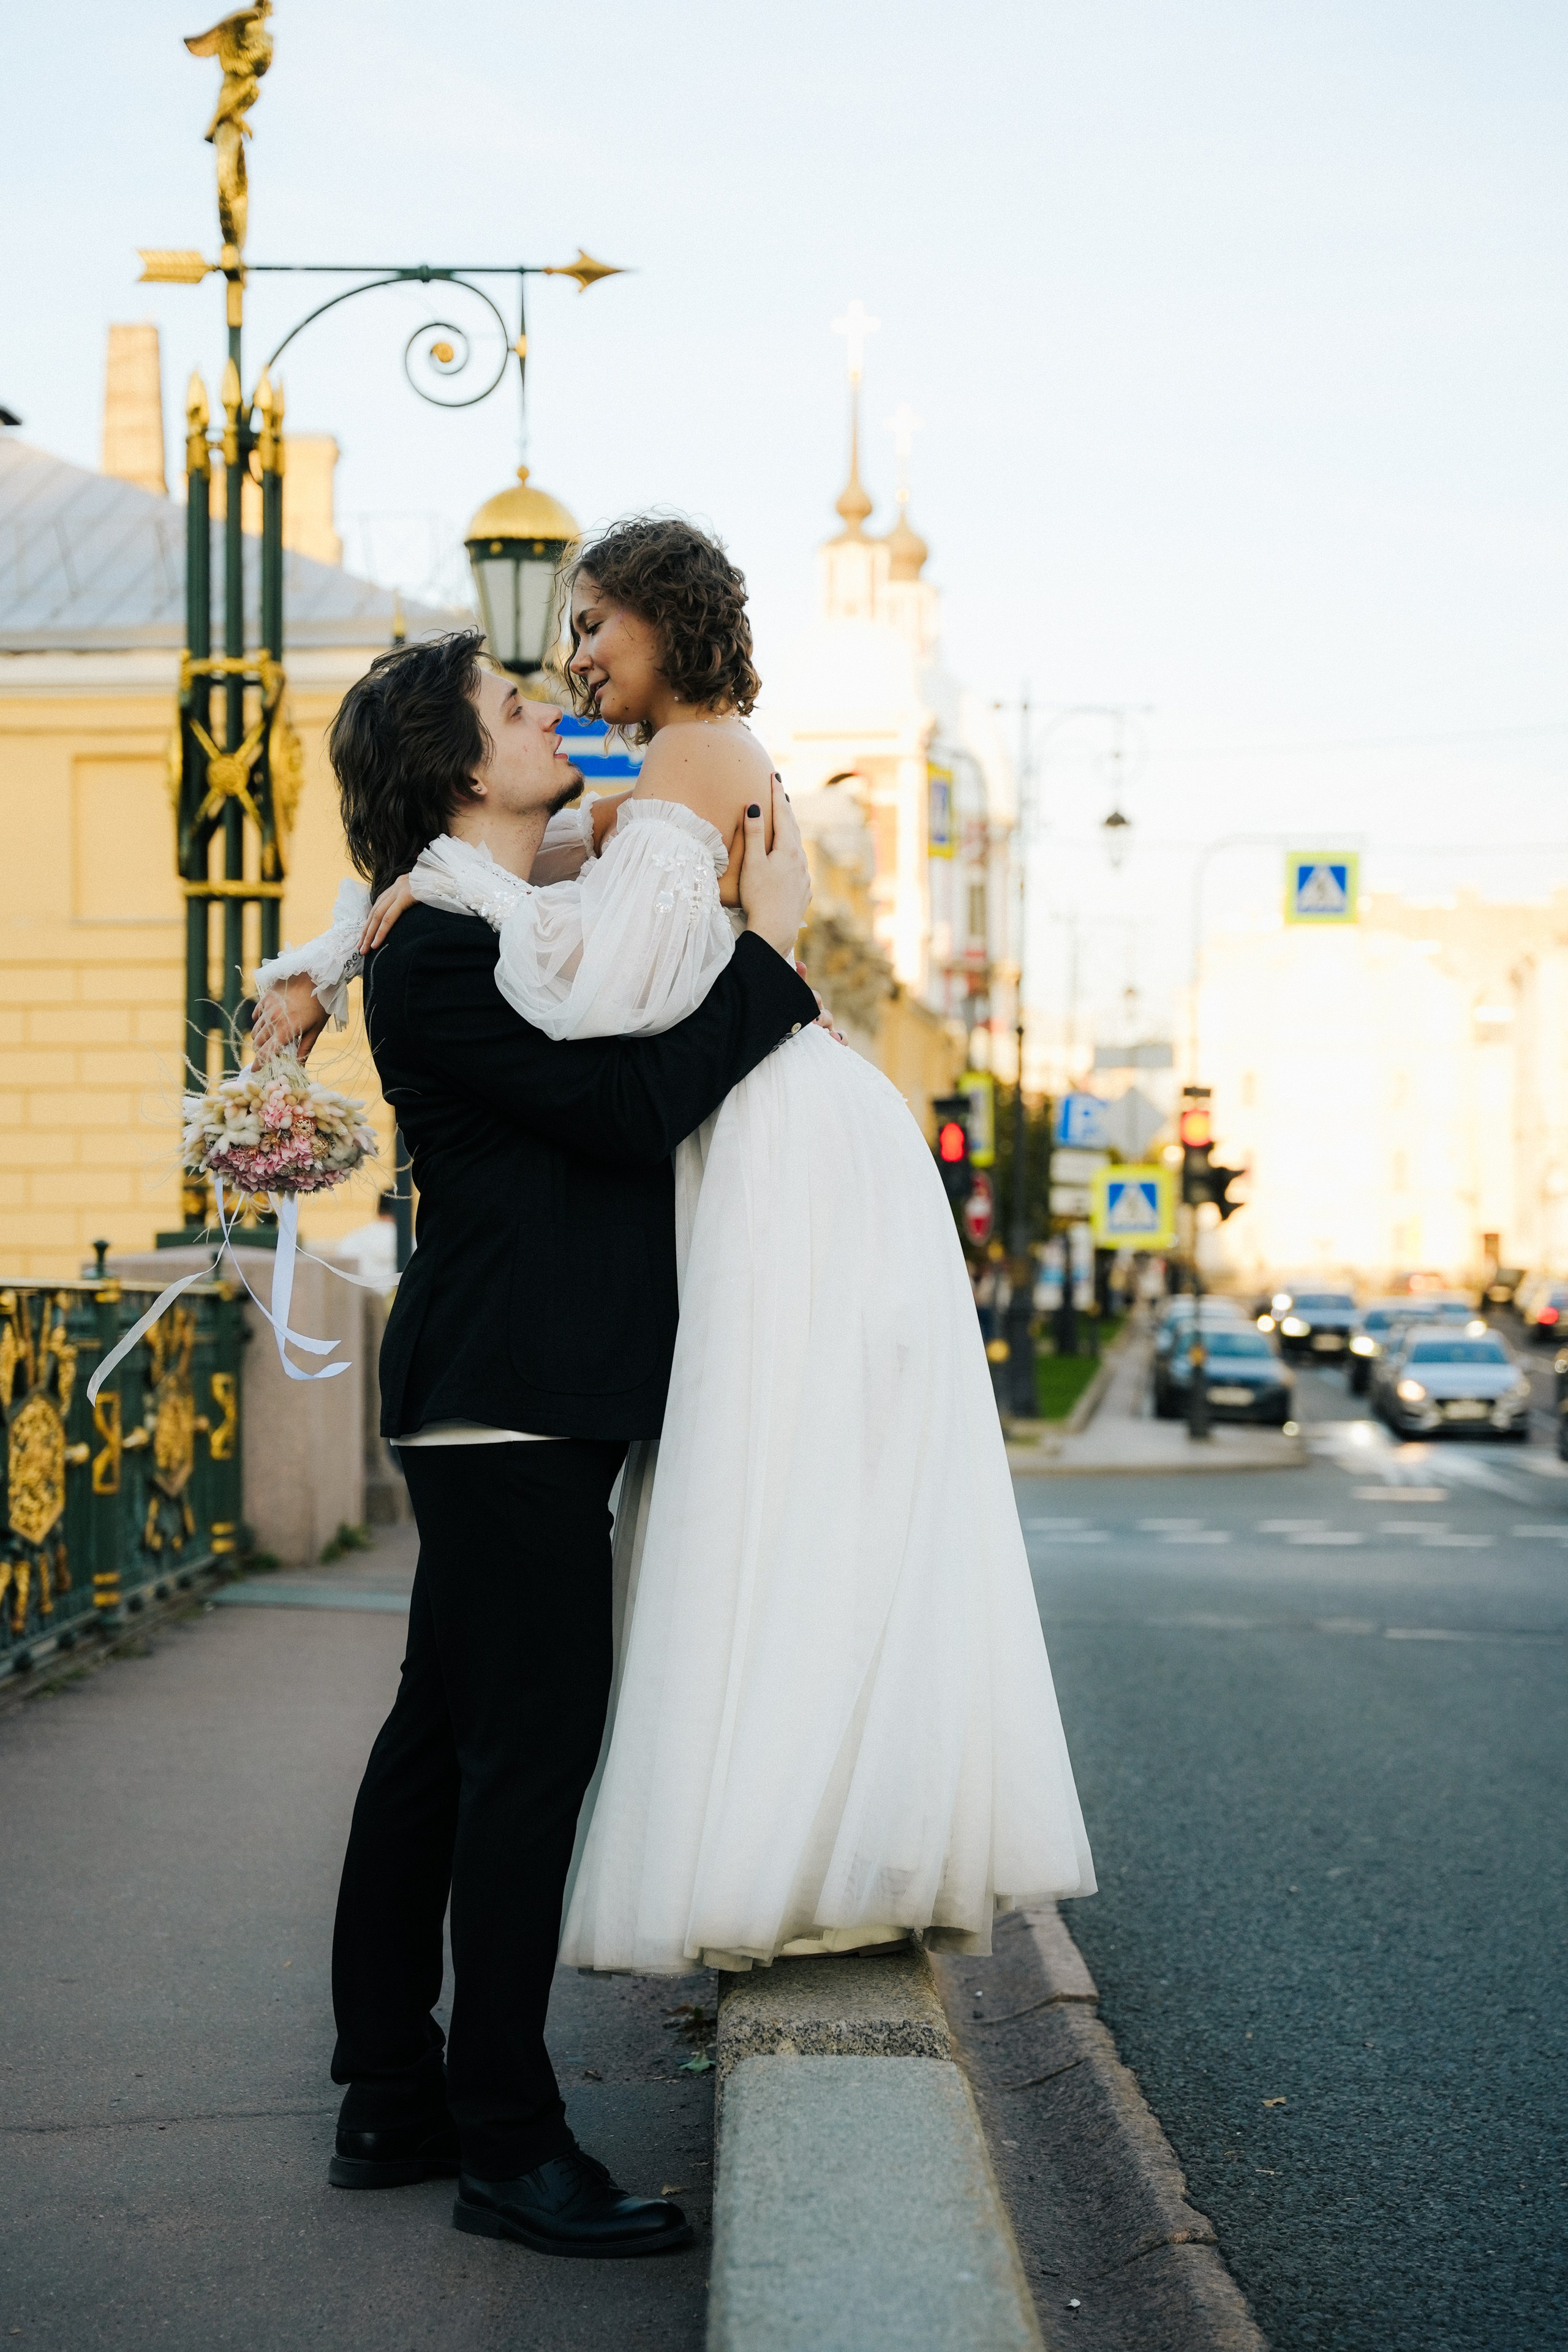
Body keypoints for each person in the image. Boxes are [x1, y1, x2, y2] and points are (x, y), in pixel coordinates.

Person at [260, 521, 1094, 2063]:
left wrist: (764, 953)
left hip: (761, 1160)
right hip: (561, 1320)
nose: (565, 671)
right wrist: (330, 955)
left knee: (734, 1529)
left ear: (666, 622)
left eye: (588, 630)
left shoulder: (694, 766)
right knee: (510, 1716)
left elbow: (598, 986)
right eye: (536, 671)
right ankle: (450, 2090)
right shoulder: (626, 807)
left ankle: (457, 2058)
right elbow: (532, 946)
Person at [257, 628, 820, 2257]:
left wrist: (321, 950)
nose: (556, 712)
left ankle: (391, 2093)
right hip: (509, 1394)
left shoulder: (490, 910)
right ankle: (509, 2139)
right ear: (456, 769)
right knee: (524, 1767)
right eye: (520, 706)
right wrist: (767, 961)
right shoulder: (439, 943)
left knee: (441, 1745)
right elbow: (623, 1112)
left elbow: (658, 770)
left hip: (518, 1390)